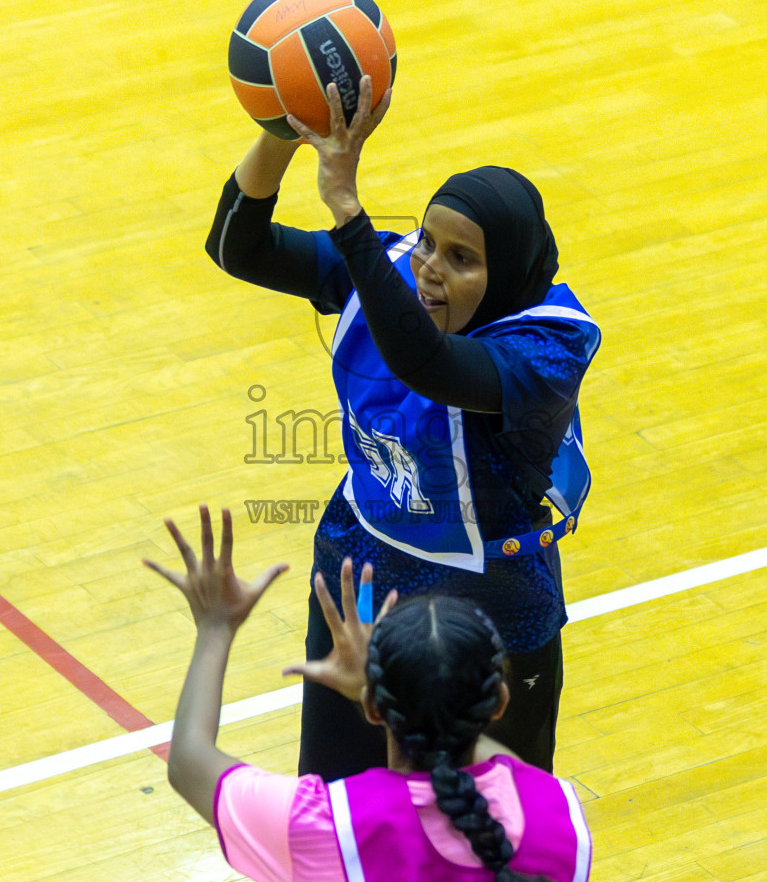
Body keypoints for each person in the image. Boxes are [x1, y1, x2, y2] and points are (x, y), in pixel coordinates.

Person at [206, 78, 600, 779]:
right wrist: (284, 124)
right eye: (427, 242)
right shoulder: (383, 271)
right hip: (360, 577)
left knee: (494, 834)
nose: (428, 271)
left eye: (461, 259)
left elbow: (430, 363)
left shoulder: (548, 352)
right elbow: (237, 246)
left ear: (506, 274)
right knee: (336, 810)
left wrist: (348, 211)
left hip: (490, 614)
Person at [145, 505, 593, 882]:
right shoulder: (562, 817)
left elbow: (187, 761)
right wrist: (378, 689)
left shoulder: (330, 827)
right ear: (499, 700)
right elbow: (503, 769)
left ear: (376, 711)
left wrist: (215, 627)